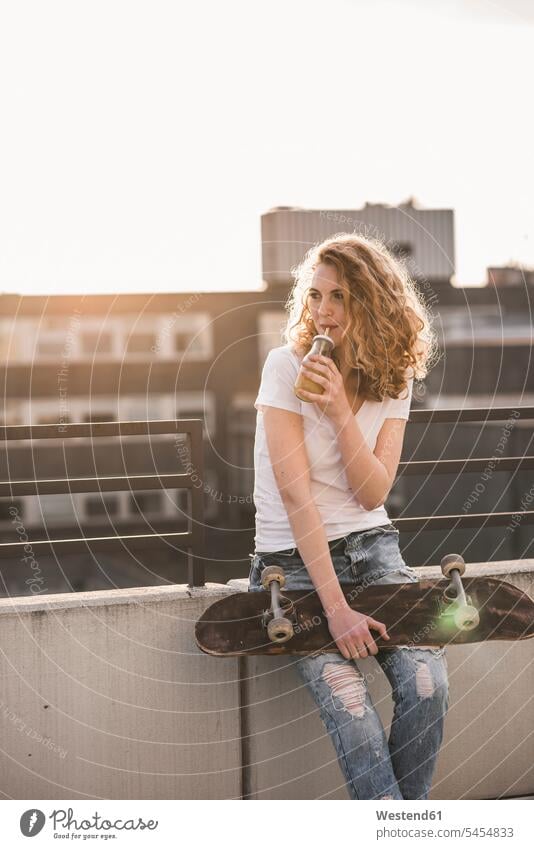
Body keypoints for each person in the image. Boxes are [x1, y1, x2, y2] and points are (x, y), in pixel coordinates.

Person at [248, 233, 448, 800]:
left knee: (428, 685)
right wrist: (337, 611)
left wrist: (339, 412)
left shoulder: (394, 378)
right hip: (293, 564)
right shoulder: (284, 367)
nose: (322, 313)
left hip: (373, 550)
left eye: (338, 297)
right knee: (353, 706)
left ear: (372, 304)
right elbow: (295, 497)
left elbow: (371, 492)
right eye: (314, 296)